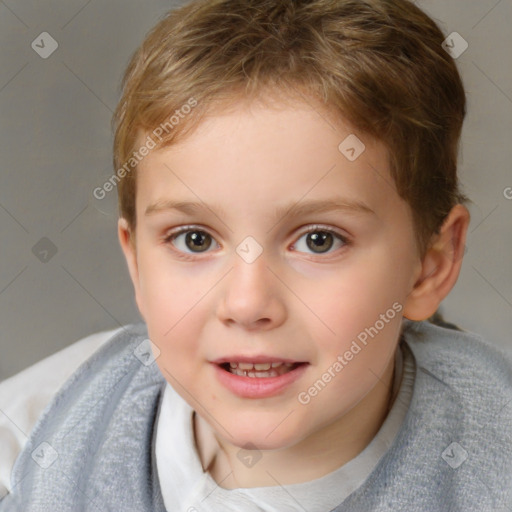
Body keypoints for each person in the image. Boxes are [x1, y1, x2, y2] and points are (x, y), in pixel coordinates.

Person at [1, 0, 511, 510]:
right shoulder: (38, 435)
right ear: (136, 263)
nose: (247, 304)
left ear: (430, 265)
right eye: (194, 239)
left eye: (319, 240)